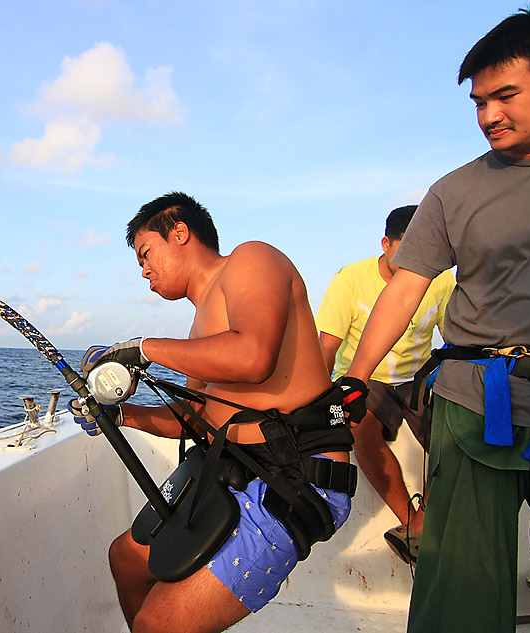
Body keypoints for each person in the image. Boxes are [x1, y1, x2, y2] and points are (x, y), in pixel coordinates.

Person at [343, 3, 530, 631]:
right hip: (475, 401)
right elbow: (405, 290)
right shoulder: (454, 190)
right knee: (461, 594)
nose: (488, 116)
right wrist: (358, 376)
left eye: (504, 96)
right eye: (477, 103)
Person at [72, 192, 356, 633]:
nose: (143, 270)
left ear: (179, 231)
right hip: (233, 469)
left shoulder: (252, 259)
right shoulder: (199, 325)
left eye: (146, 254)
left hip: (293, 479)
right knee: (126, 559)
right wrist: (121, 416)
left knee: (158, 624)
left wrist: (144, 349)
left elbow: (252, 356)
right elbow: (195, 415)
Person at [315, 205, 454, 564]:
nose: (414, 259)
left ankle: (425, 523)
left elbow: (455, 338)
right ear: (386, 243)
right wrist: (315, 405)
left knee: (454, 432)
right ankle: (410, 521)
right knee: (360, 432)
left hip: (418, 377)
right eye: (404, 248)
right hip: (367, 376)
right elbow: (326, 348)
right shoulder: (350, 279)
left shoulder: (442, 280)